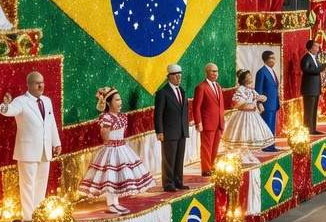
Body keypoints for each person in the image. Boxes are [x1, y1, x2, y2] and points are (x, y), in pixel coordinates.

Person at [0, 72, 62, 222]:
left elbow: (51, 122)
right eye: (36, 83)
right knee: (27, 184)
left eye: (42, 82)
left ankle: (38, 213)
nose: (41, 85)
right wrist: (5, 105)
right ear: (29, 85)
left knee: (41, 182)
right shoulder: (21, 101)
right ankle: (28, 216)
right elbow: (8, 111)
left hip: (45, 150)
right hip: (27, 151)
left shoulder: (47, 101)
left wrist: (56, 142)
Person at [81, 87, 155, 213]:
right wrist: (106, 133)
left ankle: (115, 203)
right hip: (111, 150)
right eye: (117, 100)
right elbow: (104, 135)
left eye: (120, 99)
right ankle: (111, 204)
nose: (120, 102)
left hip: (122, 148)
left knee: (117, 177)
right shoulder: (106, 117)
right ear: (109, 103)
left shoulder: (122, 117)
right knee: (111, 177)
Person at [218, 70, 272, 166]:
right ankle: (242, 154)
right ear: (243, 79)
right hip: (243, 115)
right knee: (243, 133)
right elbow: (235, 101)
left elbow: (258, 97)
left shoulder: (251, 89)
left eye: (250, 75)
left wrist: (261, 98)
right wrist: (246, 103)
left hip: (252, 115)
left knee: (251, 134)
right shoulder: (241, 89)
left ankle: (248, 153)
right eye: (248, 76)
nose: (250, 77)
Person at [153, 64, 189, 192]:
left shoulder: (182, 91)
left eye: (180, 74)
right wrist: (160, 131)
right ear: (169, 77)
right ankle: (168, 183)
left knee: (179, 158)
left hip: (181, 131)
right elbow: (158, 114)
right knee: (169, 159)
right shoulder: (163, 93)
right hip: (169, 132)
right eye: (175, 75)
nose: (179, 77)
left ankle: (178, 181)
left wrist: (185, 128)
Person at [192, 62, 224, 176]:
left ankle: (213, 166)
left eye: (216, 71)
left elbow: (220, 105)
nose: (215, 74)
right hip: (207, 123)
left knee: (215, 147)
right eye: (213, 71)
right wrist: (198, 122)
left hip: (219, 123)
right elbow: (196, 107)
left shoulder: (218, 86)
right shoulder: (201, 87)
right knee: (206, 147)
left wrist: (222, 121)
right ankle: (206, 169)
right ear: (207, 72)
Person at [255, 51, 281, 146]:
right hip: (266, 105)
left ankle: (272, 144)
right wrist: (259, 104)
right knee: (267, 125)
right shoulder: (261, 72)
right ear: (266, 59)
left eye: (274, 58)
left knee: (272, 126)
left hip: (273, 103)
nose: (274, 60)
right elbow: (258, 90)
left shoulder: (272, 71)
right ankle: (267, 146)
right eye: (272, 58)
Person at [300, 41, 324, 135]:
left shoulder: (314, 58)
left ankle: (313, 129)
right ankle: (307, 130)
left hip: (315, 88)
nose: (318, 49)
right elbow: (306, 70)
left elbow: (318, 68)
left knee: (314, 111)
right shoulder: (306, 58)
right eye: (316, 47)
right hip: (309, 88)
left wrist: (324, 66)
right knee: (308, 111)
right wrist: (320, 69)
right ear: (310, 48)